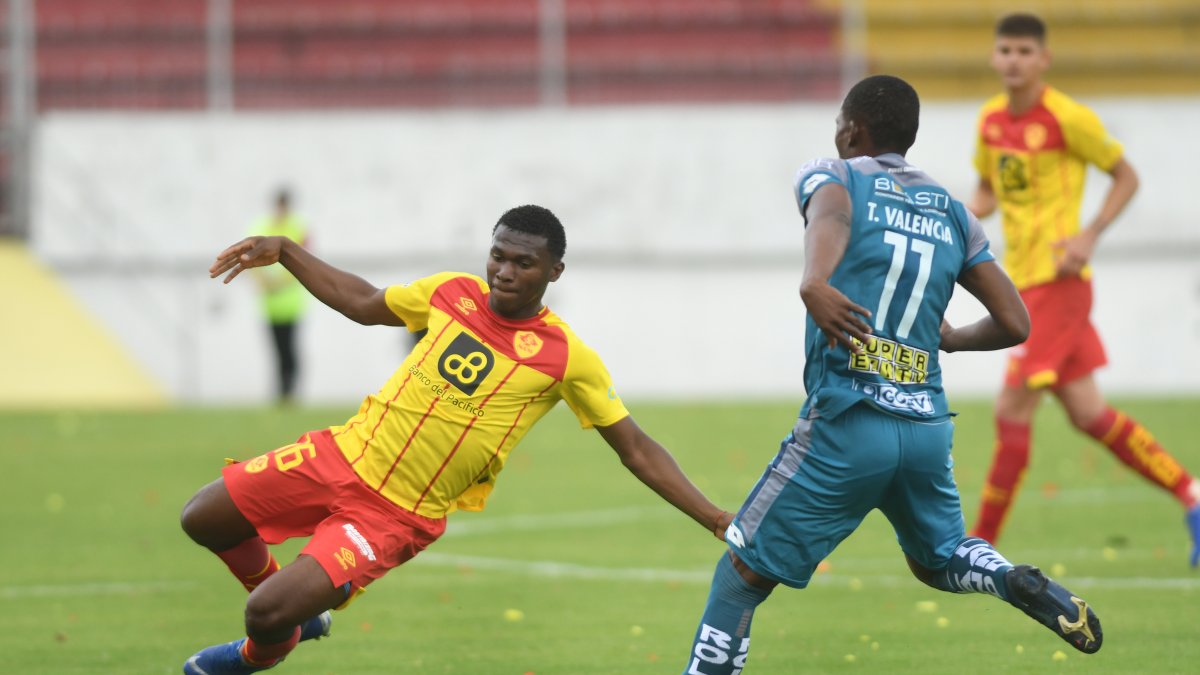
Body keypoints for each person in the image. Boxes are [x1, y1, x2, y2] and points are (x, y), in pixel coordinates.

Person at [181, 204, 733, 674]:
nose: (505, 271)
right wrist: (286, 250)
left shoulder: (566, 357)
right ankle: (306, 607)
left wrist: (714, 517)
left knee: (265, 615)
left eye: (524, 263)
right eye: (498, 255)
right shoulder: (451, 292)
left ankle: (252, 654)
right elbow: (363, 301)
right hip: (341, 453)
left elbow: (635, 447)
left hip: (394, 513)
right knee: (202, 516)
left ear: (554, 272)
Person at [681, 75, 1103, 675]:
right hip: (926, 427)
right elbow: (1014, 322)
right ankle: (1007, 577)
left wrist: (814, 283)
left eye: (838, 127)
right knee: (939, 559)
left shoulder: (835, 172)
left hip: (848, 424)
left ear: (852, 130)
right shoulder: (955, 213)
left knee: (741, 576)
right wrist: (953, 339)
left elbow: (829, 214)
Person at [966, 13, 1200, 563]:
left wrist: (1090, 234)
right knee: (1089, 413)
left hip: (1058, 284)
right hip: (1020, 283)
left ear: (1044, 59)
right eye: (1006, 50)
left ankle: (977, 545)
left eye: (1025, 51)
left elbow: (1127, 175)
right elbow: (988, 189)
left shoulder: (1069, 118)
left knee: (1011, 406)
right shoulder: (990, 120)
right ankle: (1192, 494)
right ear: (995, 57)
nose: (1014, 60)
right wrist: (955, 217)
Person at [248, 187, 310, 404]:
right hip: (270, 304)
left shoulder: (298, 228)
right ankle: (281, 391)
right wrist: (264, 282)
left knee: (290, 349)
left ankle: (290, 391)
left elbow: (307, 263)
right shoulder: (262, 227)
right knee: (277, 350)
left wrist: (278, 282)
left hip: (290, 303)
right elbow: (249, 261)